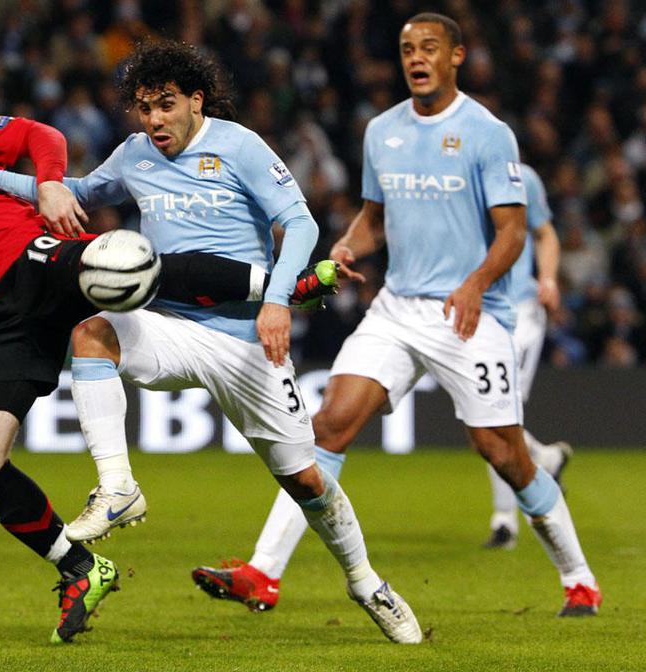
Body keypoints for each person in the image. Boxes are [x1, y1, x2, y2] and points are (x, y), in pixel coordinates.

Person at [0, 73, 325, 644]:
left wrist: (48, 186)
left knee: (129, 265)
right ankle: (80, 567)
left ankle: (286, 286)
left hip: (34, 258)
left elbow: (42, 136)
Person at [0, 40, 422, 644]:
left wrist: (278, 302)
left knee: (305, 481)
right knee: (92, 334)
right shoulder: (135, 154)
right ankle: (118, 486)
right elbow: (78, 192)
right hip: (171, 327)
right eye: (144, 108)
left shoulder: (239, 146)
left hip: (247, 340)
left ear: (196, 101)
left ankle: (365, 583)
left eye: (166, 104)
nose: (154, 119)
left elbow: (301, 222)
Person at [190, 14, 602, 618]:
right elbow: (375, 219)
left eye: (429, 47)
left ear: (456, 56)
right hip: (397, 310)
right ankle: (263, 574)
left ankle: (579, 578)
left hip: (469, 314)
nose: (416, 57)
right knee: (328, 426)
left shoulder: (487, 134)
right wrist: (347, 246)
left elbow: (514, 232)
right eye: (408, 48)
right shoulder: (382, 131)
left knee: (503, 453)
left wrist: (475, 285)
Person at [483, 163, 572, 550]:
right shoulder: (446, 175)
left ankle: (505, 521)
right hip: (474, 309)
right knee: (483, 414)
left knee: (496, 412)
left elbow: (544, 232)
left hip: (518, 309)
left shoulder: (521, 177)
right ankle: (545, 458)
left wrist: (548, 279)